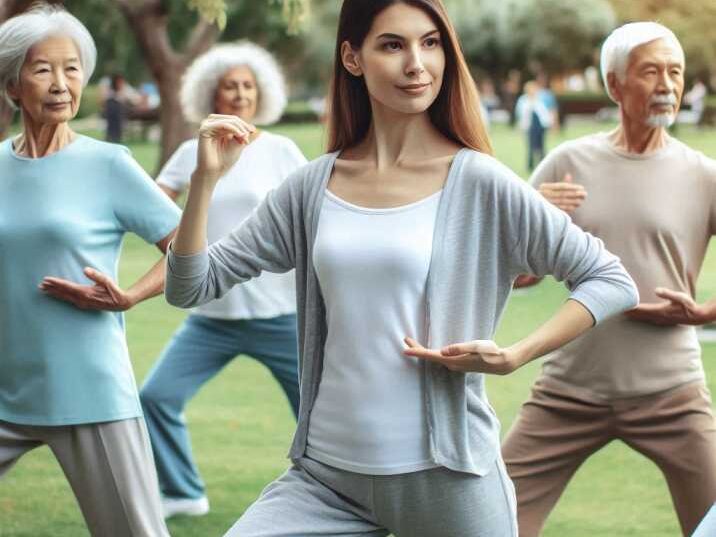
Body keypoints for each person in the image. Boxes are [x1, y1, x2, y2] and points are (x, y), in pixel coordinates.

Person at [165, 1, 638, 535]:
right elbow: (191, 287)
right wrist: (205, 180)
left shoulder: (482, 182)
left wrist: (515, 355)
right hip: (325, 479)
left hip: (447, 479)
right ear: (352, 57)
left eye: (430, 43)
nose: (417, 63)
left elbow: (610, 279)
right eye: (393, 44)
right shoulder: (310, 187)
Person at [503, 22, 716, 537]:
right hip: (568, 390)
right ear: (615, 85)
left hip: (672, 393)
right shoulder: (567, 163)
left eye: (675, 72)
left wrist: (706, 312)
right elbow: (521, 277)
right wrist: (529, 220)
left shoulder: (704, 175)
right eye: (650, 72)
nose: (667, 84)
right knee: (490, 519)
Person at [0, 6, 179, 536]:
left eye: (72, 69)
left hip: (87, 388)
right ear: (11, 84)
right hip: (6, 386)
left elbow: (190, 252)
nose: (60, 84)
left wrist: (128, 296)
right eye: (42, 69)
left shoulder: (109, 164)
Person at [139, 41, 306, 519]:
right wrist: (172, 245)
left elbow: (311, 214)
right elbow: (152, 199)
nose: (239, 95)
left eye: (247, 86)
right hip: (212, 315)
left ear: (261, 95)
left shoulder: (281, 150)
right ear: (213, 95)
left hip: (280, 315)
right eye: (229, 86)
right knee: (155, 397)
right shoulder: (196, 149)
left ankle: (335, 496)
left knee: (318, 416)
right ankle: (183, 492)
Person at [516, 80, 554, 170]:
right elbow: (520, 115)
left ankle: (542, 164)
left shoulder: (540, 99)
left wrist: (550, 125)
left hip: (540, 127)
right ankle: (530, 166)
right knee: (530, 147)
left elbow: (545, 114)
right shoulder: (523, 100)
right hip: (530, 127)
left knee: (541, 146)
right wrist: (520, 127)